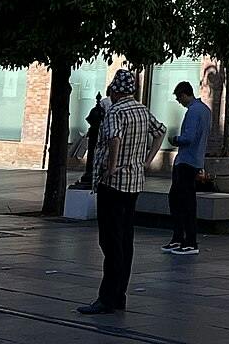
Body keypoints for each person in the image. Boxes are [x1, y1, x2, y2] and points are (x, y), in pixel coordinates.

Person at [79, 68, 161, 316]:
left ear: (115, 90)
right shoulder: (142, 110)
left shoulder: (116, 111)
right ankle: (119, 295)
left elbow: (114, 138)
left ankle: (107, 297)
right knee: (126, 239)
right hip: (134, 181)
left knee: (110, 240)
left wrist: (111, 167)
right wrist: (147, 160)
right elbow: (160, 131)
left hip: (113, 183)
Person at [163, 80, 211, 256]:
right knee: (185, 200)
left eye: (178, 98)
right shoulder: (205, 110)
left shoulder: (193, 111)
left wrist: (174, 139)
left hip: (185, 161)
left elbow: (188, 137)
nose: (179, 102)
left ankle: (186, 240)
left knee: (180, 201)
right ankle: (180, 239)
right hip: (196, 160)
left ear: (184, 95)